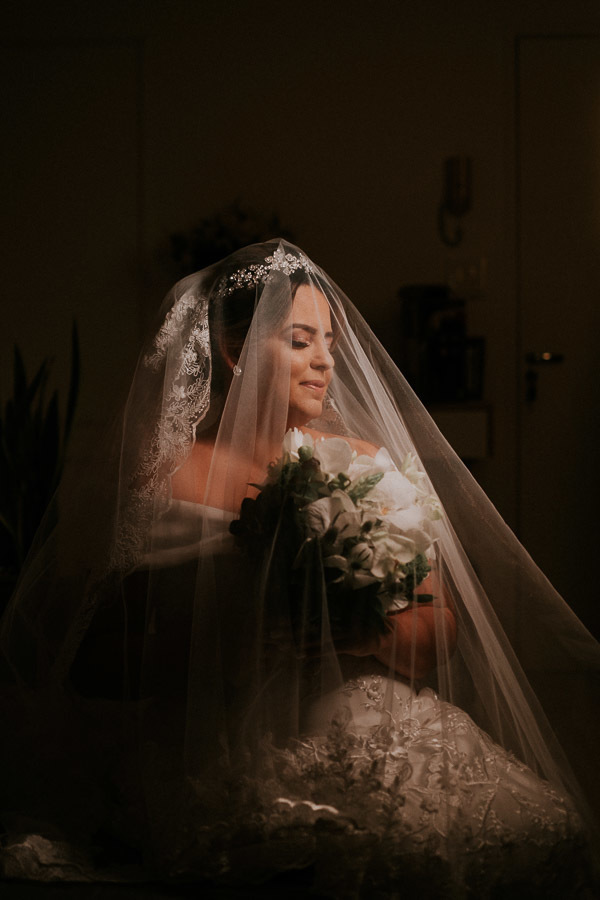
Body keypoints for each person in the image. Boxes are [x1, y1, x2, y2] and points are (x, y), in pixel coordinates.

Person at [0, 240, 598, 898]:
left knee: (523, 837)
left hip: (365, 717)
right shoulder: (162, 474)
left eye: (330, 342)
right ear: (237, 353)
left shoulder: (365, 465)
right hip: (216, 742)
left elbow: (442, 627)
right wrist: (225, 636)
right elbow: (87, 661)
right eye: (300, 341)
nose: (326, 361)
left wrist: (367, 633)